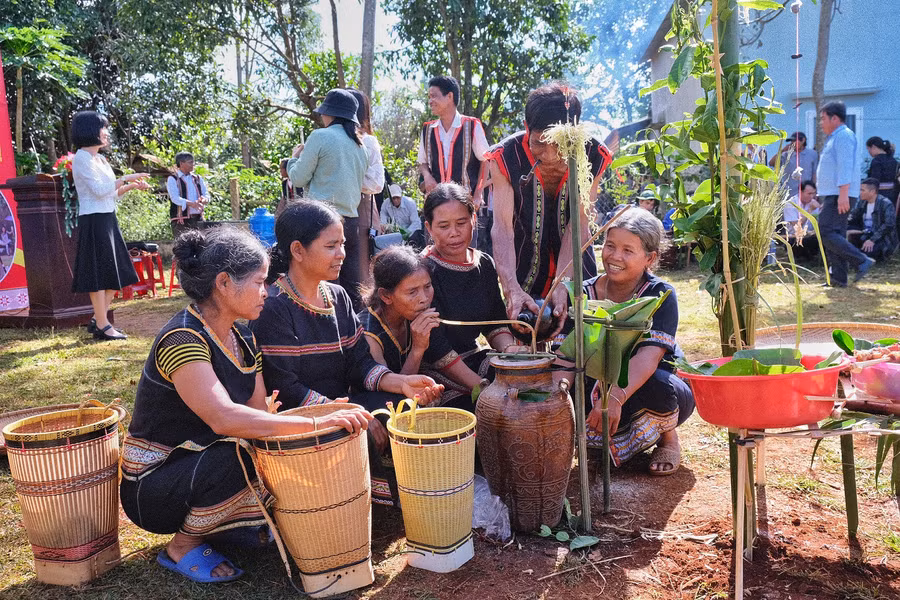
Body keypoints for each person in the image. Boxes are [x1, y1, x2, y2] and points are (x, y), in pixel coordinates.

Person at [120, 226, 373, 583]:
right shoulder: (182, 339)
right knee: (239, 453)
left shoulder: (242, 335)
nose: (266, 292)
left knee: (262, 447)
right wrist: (316, 424)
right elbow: (224, 418)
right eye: (258, 282)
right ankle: (182, 545)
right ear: (224, 283)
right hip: (152, 484)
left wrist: (325, 412)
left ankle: (230, 526)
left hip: (198, 462)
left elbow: (257, 413)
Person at [488, 82, 613, 337]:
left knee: (580, 339)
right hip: (523, 259)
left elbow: (578, 224)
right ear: (526, 128)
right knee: (525, 338)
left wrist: (564, 283)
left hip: (576, 259)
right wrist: (511, 287)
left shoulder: (594, 155)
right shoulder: (504, 156)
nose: (550, 155)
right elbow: (502, 228)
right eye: (539, 144)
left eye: (560, 144)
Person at [581, 209, 694, 475]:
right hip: (597, 384)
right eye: (610, 246)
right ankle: (603, 443)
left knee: (656, 382)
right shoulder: (581, 293)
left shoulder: (660, 295)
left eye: (627, 250)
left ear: (650, 258)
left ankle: (668, 439)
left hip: (653, 388)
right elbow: (568, 357)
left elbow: (648, 359)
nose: (615, 257)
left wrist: (615, 399)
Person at [423, 183, 518, 405]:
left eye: (461, 223)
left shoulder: (483, 263)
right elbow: (435, 347)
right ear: (429, 228)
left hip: (474, 358)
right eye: (443, 226)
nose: (454, 233)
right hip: (436, 370)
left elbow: (495, 321)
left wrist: (508, 349)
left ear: (473, 220)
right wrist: (481, 387)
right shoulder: (424, 271)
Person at [360, 245, 490, 406]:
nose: (424, 298)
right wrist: (418, 349)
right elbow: (391, 394)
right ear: (386, 296)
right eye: (412, 292)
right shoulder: (369, 333)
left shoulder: (411, 313)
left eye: (427, 287)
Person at [70, 110, 150, 341]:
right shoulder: (82, 158)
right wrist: (126, 178)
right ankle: (103, 325)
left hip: (107, 217)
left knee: (115, 272)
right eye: (102, 128)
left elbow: (110, 193)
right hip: (93, 220)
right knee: (98, 273)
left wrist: (132, 185)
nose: (106, 133)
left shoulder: (100, 159)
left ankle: (99, 319)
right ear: (90, 131)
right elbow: (98, 190)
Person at [287, 89, 368, 310]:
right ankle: (355, 332)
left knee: (325, 285)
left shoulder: (320, 136)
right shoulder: (360, 146)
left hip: (321, 222)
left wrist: (293, 160)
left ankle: (329, 334)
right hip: (351, 222)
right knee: (352, 288)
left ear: (330, 114)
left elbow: (298, 178)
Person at [816, 101, 874, 287]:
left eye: (823, 118)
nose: (821, 123)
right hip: (835, 193)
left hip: (840, 193)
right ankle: (838, 279)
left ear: (835, 118)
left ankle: (861, 260)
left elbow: (845, 166)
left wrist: (843, 194)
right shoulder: (835, 137)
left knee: (825, 231)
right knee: (836, 233)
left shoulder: (843, 136)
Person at [417, 75, 490, 196]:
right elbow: (422, 162)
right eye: (429, 97)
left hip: (465, 202)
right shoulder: (427, 129)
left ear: (450, 96)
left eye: (434, 96)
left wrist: (478, 194)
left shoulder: (472, 125)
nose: (430, 101)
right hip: (436, 202)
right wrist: (427, 176)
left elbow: (486, 161)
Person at [347, 88, 385, 279]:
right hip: (337, 212)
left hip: (362, 210)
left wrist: (346, 179)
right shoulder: (332, 140)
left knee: (362, 274)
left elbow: (377, 183)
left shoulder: (368, 141)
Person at [847, 178, 898, 262]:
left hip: (881, 239)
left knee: (867, 254)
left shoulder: (886, 203)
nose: (860, 192)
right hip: (865, 234)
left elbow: (889, 225)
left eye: (862, 190)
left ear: (872, 191)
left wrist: (872, 240)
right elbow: (853, 217)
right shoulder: (862, 203)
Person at [166, 152, 208, 237]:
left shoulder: (197, 178)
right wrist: (191, 203)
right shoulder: (173, 179)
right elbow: (174, 198)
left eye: (193, 162)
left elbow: (206, 194)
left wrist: (204, 199)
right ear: (181, 163)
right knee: (183, 247)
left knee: (201, 245)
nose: (193, 164)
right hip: (181, 220)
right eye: (190, 162)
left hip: (198, 218)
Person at [769, 131, 818, 199]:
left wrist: (815, 191)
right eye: (791, 141)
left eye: (794, 140)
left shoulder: (812, 154)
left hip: (806, 194)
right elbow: (771, 163)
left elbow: (814, 173)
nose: (792, 143)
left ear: (803, 140)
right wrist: (782, 150)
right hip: (789, 194)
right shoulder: (786, 155)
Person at [783, 180, 821, 260]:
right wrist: (809, 210)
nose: (812, 196)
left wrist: (821, 209)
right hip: (794, 238)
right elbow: (797, 226)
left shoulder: (813, 203)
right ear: (801, 192)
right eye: (809, 194)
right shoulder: (790, 204)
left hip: (811, 236)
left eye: (813, 193)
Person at [865, 136, 899, 205]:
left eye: (868, 149)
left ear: (873, 147)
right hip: (893, 195)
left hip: (880, 195)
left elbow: (874, 180)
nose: (869, 152)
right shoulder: (893, 160)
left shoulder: (877, 160)